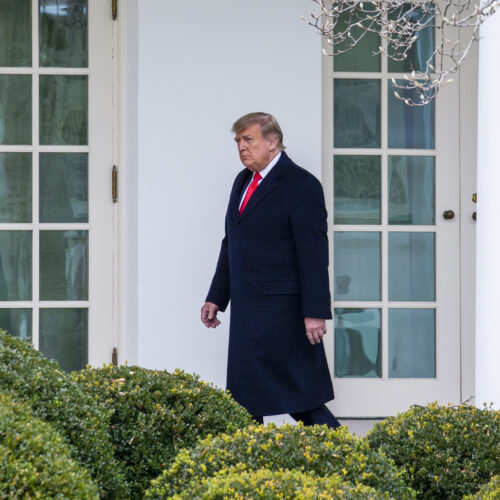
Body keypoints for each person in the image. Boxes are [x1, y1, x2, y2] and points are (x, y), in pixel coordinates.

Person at [200, 112, 340, 428]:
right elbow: (231, 243)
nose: (242, 147)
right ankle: (246, 470)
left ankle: (352, 460)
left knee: (303, 402)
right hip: (248, 314)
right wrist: (216, 297)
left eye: (249, 140)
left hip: (284, 315)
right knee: (243, 402)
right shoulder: (242, 181)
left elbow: (314, 254)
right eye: (238, 141)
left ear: (272, 143)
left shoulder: (302, 185)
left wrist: (315, 312)